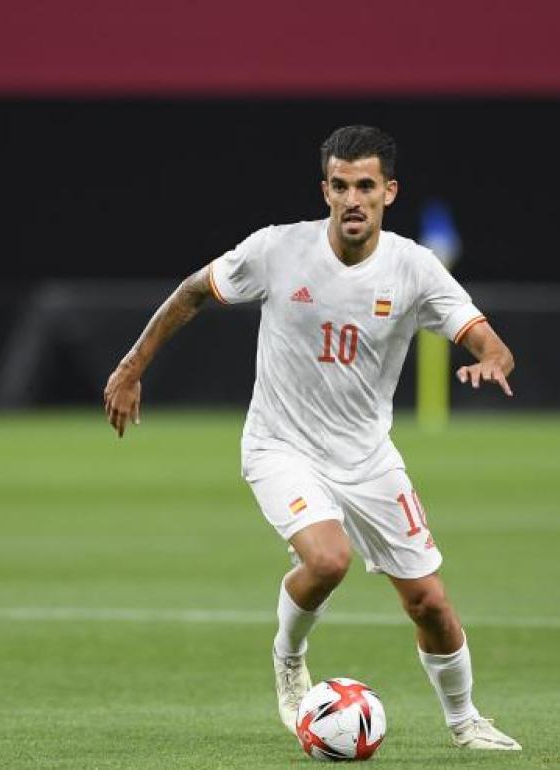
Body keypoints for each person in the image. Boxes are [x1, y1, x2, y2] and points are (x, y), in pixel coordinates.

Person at [103, 125, 520, 751]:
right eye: (341, 186)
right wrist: (132, 367)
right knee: (328, 559)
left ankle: (466, 723)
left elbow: (490, 341)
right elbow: (193, 292)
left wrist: (492, 360)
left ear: (389, 192)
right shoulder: (277, 250)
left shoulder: (414, 267)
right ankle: (289, 656)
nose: (354, 199)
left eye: (367, 186)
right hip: (281, 446)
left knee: (429, 601)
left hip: (368, 457)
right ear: (324, 190)